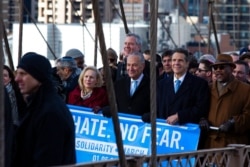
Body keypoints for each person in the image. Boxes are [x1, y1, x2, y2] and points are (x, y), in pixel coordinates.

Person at [13, 52, 76, 166]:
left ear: (38, 76)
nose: (17, 78)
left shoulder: (50, 112)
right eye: (17, 73)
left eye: (23, 74)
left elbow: (48, 159)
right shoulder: (37, 105)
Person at [199, 54, 250, 149]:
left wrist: (233, 122)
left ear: (231, 69)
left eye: (222, 67)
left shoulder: (246, 90)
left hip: (233, 145)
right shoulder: (208, 88)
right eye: (215, 68)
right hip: (210, 145)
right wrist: (202, 119)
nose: (218, 70)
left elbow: (248, 115)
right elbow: (200, 108)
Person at [157, 48, 210, 125]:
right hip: (165, 131)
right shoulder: (161, 84)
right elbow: (157, 108)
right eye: (174, 60)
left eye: (180, 60)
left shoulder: (200, 84)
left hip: (187, 132)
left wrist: (179, 116)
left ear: (187, 63)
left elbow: (201, 109)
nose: (176, 63)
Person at [104, 51, 150, 117]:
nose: (130, 69)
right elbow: (112, 104)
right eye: (128, 65)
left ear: (142, 66)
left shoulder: (153, 86)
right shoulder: (119, 84)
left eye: (134, 65)